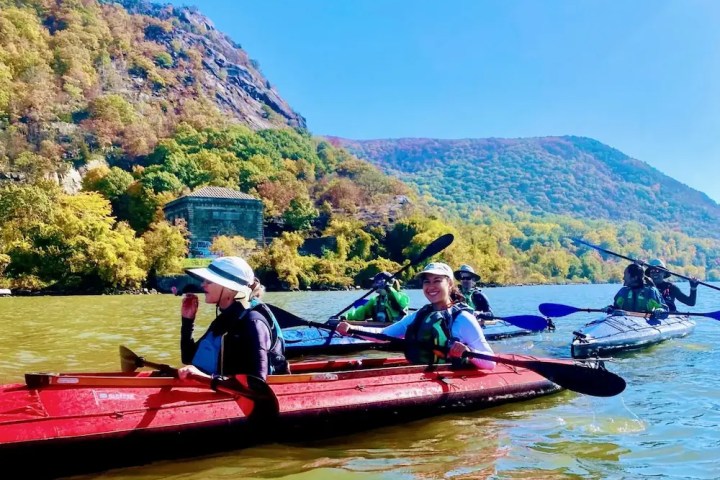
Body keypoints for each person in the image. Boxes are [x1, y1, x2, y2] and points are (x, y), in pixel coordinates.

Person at [336, 262, 495, 369]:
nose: (431, 286)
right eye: (427, 282)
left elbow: (490, 362)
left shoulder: (463, 318)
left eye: (437, 281)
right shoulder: (421, 314)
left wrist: (467, 351)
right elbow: (384, 335)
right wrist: (351, 329)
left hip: (452, 376)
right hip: (423, 373)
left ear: (450, 284)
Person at [176, 256, 289, 384]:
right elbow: (188, 358)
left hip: (245, 395)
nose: (203, 285)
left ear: (229, 288)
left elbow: (257, 384)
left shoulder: (254, 322)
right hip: (219, 388)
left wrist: (208, 379)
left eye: (209, 281)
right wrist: (187, 321)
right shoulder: (224, 319)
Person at [343, 271, 410, 323]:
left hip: (398, 332)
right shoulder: (374, 300)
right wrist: (345, 317)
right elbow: (360, 313)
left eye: (377, 282)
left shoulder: (403, 297)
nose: (374, 284)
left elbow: (399, 303)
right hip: (380, 331)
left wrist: (388, 288)